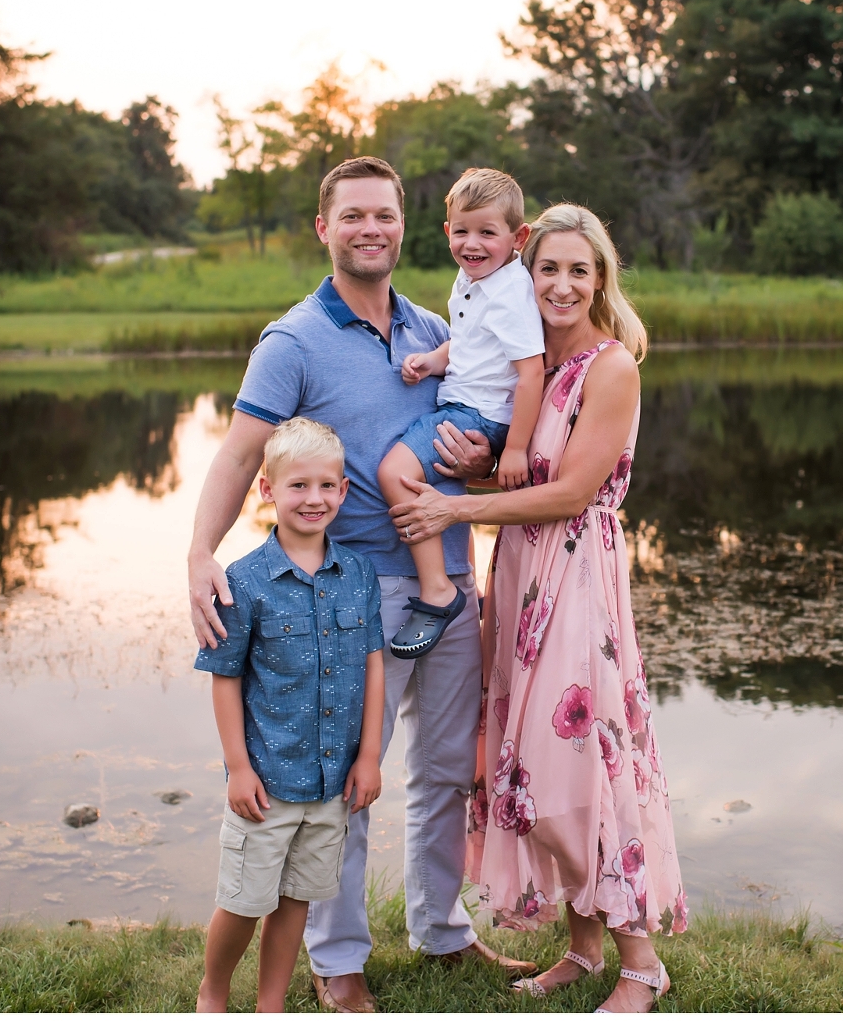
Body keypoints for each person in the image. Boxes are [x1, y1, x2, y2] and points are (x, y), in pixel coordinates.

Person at [186, 156, 536, 1015]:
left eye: (384, 215)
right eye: (354, 217)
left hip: (450, 581)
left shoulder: (434, 325)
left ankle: (442, 930)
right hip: (347, 596)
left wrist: (483, 463)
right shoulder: (294, 339)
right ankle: (337, 959)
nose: (371, 229)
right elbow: (240, 454)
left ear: (403, 227)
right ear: (325, 228)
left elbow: (480, 439)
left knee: (448, 769)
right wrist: (201, 553)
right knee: (347, 777)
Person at [389, 204, 688, 1014]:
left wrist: (453, 510)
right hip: (521, 571)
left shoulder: (610, 366)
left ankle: (641, 963)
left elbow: (571, 493)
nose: (560, 285)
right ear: (530, 271)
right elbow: (521, 481)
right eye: (548, 269)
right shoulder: (532, 363)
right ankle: (582, 949)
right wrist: (472, 469)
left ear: (601, 279)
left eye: (577, 272)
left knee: (582, 760)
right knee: (531, 759)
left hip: (578, 576)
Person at [193, 418, 387, 1013]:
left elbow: (374, 664)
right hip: (268, 782)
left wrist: (370, 756)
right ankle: (215, 990)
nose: (314, 498)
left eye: (327, 486)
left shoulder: (358, 575)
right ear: (267, 491)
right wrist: (237, 769)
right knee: (245, 901)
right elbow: (225, 679)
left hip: (331, 783)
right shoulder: (244, 581)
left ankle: (270, 1003)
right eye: (298, 485)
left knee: (297, 900)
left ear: (344, 493)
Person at [378, 167, 546, 659]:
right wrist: (433, 361)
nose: (472, 244)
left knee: (394, 472)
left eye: (487, 233)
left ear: (518, 238)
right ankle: (447, 581)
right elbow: (472, 345)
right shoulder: (473, 278)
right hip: (464, 402)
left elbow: (530, 373)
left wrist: (513, 449)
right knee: (411, 478)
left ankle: (438, 591)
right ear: (447, 230)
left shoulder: (512, 292)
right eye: (462, 231)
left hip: (481, 415)